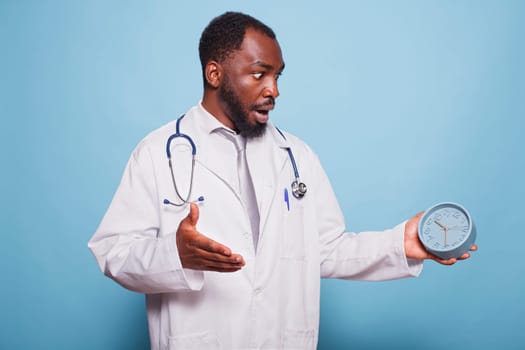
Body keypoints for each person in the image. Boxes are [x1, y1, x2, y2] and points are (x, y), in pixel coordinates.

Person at [88, 11, 476, 350]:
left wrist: (400, 244)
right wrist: (175, 255)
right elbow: (113, 251)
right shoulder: (159, 152)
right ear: (214, 73)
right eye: (259, 74)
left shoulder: (297, 157)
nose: (273, 90)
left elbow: (325, 249)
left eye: (276, 75)